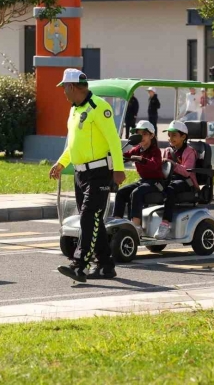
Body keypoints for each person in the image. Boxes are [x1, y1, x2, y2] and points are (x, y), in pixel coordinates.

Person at [49, 68, 126, 283]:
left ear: (72, 87)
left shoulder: (99, 107)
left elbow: (113, 140)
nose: (63, 92)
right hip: (80, 173)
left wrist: (118, 169)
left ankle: (79, 265)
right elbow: (74, 143)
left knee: (88, 216)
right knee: (93, 220)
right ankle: (105, 265)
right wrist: (61, 163)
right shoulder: (74, 110)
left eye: (64, 87)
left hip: (99, 173)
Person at [112, 121, 163, 237]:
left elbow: (155, 165)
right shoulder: (137, 149)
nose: (141, 137)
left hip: (156, 183)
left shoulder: (155, 151)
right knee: (121, 192)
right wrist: (115, 155)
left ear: (152, 136)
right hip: (144, 181)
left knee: (136, 193)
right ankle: (117, 222)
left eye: (144, 133)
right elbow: (126, 156)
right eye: (138, 134)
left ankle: (136, 226)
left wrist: (141, 159)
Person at [156, 120, 199, 240]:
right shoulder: (167, 151)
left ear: (183, 137)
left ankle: (165, 224)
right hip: (171, 180)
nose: (170, 138)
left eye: (174, 135)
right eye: (169, 135)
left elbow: (187, 172)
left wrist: (172, 164)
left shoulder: (189, 152)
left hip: (186, 182)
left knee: (170, 189)